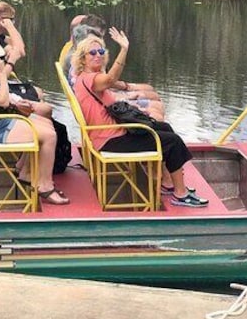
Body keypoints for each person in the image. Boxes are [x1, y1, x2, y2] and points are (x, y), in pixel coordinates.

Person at [71, 32, 208, 207]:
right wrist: (124, 49)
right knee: (172, 141)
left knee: (164, 127)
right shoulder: (91, 79)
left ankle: (167, 183)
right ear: (82, 59)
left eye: (100, 51)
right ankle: (181, 195)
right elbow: (111, 79)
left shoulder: (88, 78)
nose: (98, 55)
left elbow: (112, 87)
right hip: (110, 140)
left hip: (112, 134)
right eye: (92, 53)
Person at [0, 31, 69, 205]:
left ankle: (24, 171)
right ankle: (45, 186)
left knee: (46, 123)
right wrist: (2, 74)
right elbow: (2, 101)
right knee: (49, 136)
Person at [63, 14, 165, 121]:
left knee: (151, 95)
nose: (100, 41)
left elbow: (104, 84)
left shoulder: (83, 56)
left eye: (100, 37)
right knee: (156, 109)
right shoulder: (79, 62)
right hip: (104, 112)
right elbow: (107, 82)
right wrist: (128, 93)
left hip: (104, 101)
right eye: (96, 37)